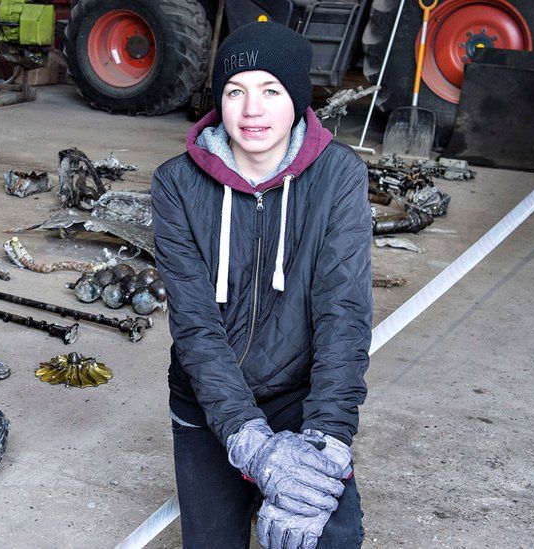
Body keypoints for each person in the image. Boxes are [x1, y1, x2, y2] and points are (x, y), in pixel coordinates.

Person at [151, 21, 372, 549]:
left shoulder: (338, 176)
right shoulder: (175, 184)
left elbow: (344, 314)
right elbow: (196, 328)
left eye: (270, 90)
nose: (252, 111)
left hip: (299, 398)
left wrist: (328, 439)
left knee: (329, 537)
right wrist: (251, 444)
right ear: (218, 101)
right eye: (235, 91)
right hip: (207, 402)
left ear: (295, 98)